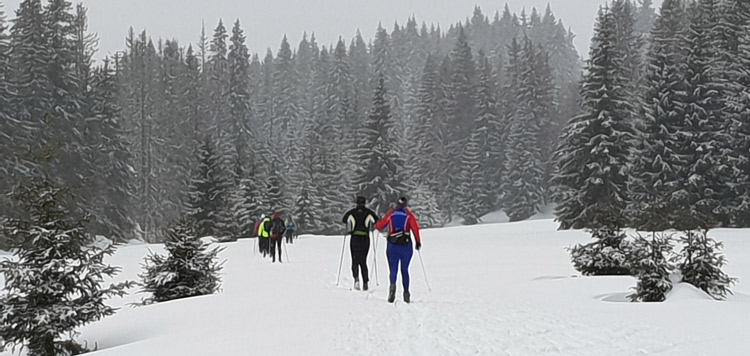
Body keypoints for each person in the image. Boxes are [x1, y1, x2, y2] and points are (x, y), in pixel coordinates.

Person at [375, 197, 421, 303]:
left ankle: (392, 289)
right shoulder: (409, 215)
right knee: (404, 270)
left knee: (393, 269)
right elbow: (415, 228)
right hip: (406, 246)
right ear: (406, 204)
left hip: (392, 246)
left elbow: (381, 225)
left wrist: (376, 224)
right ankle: (406, 292)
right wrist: (418, 242)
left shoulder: (391, 214)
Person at [342, 196, 379, 291]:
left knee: (354, 259)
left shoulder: (352, 212)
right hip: (365, 238)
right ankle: (365, 282)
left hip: (355, 238)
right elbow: (376, 220)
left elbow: (344, 219)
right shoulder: (369, 212)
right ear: (365, 203)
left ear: (356, 203)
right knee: (363, 261)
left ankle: (356, 279)